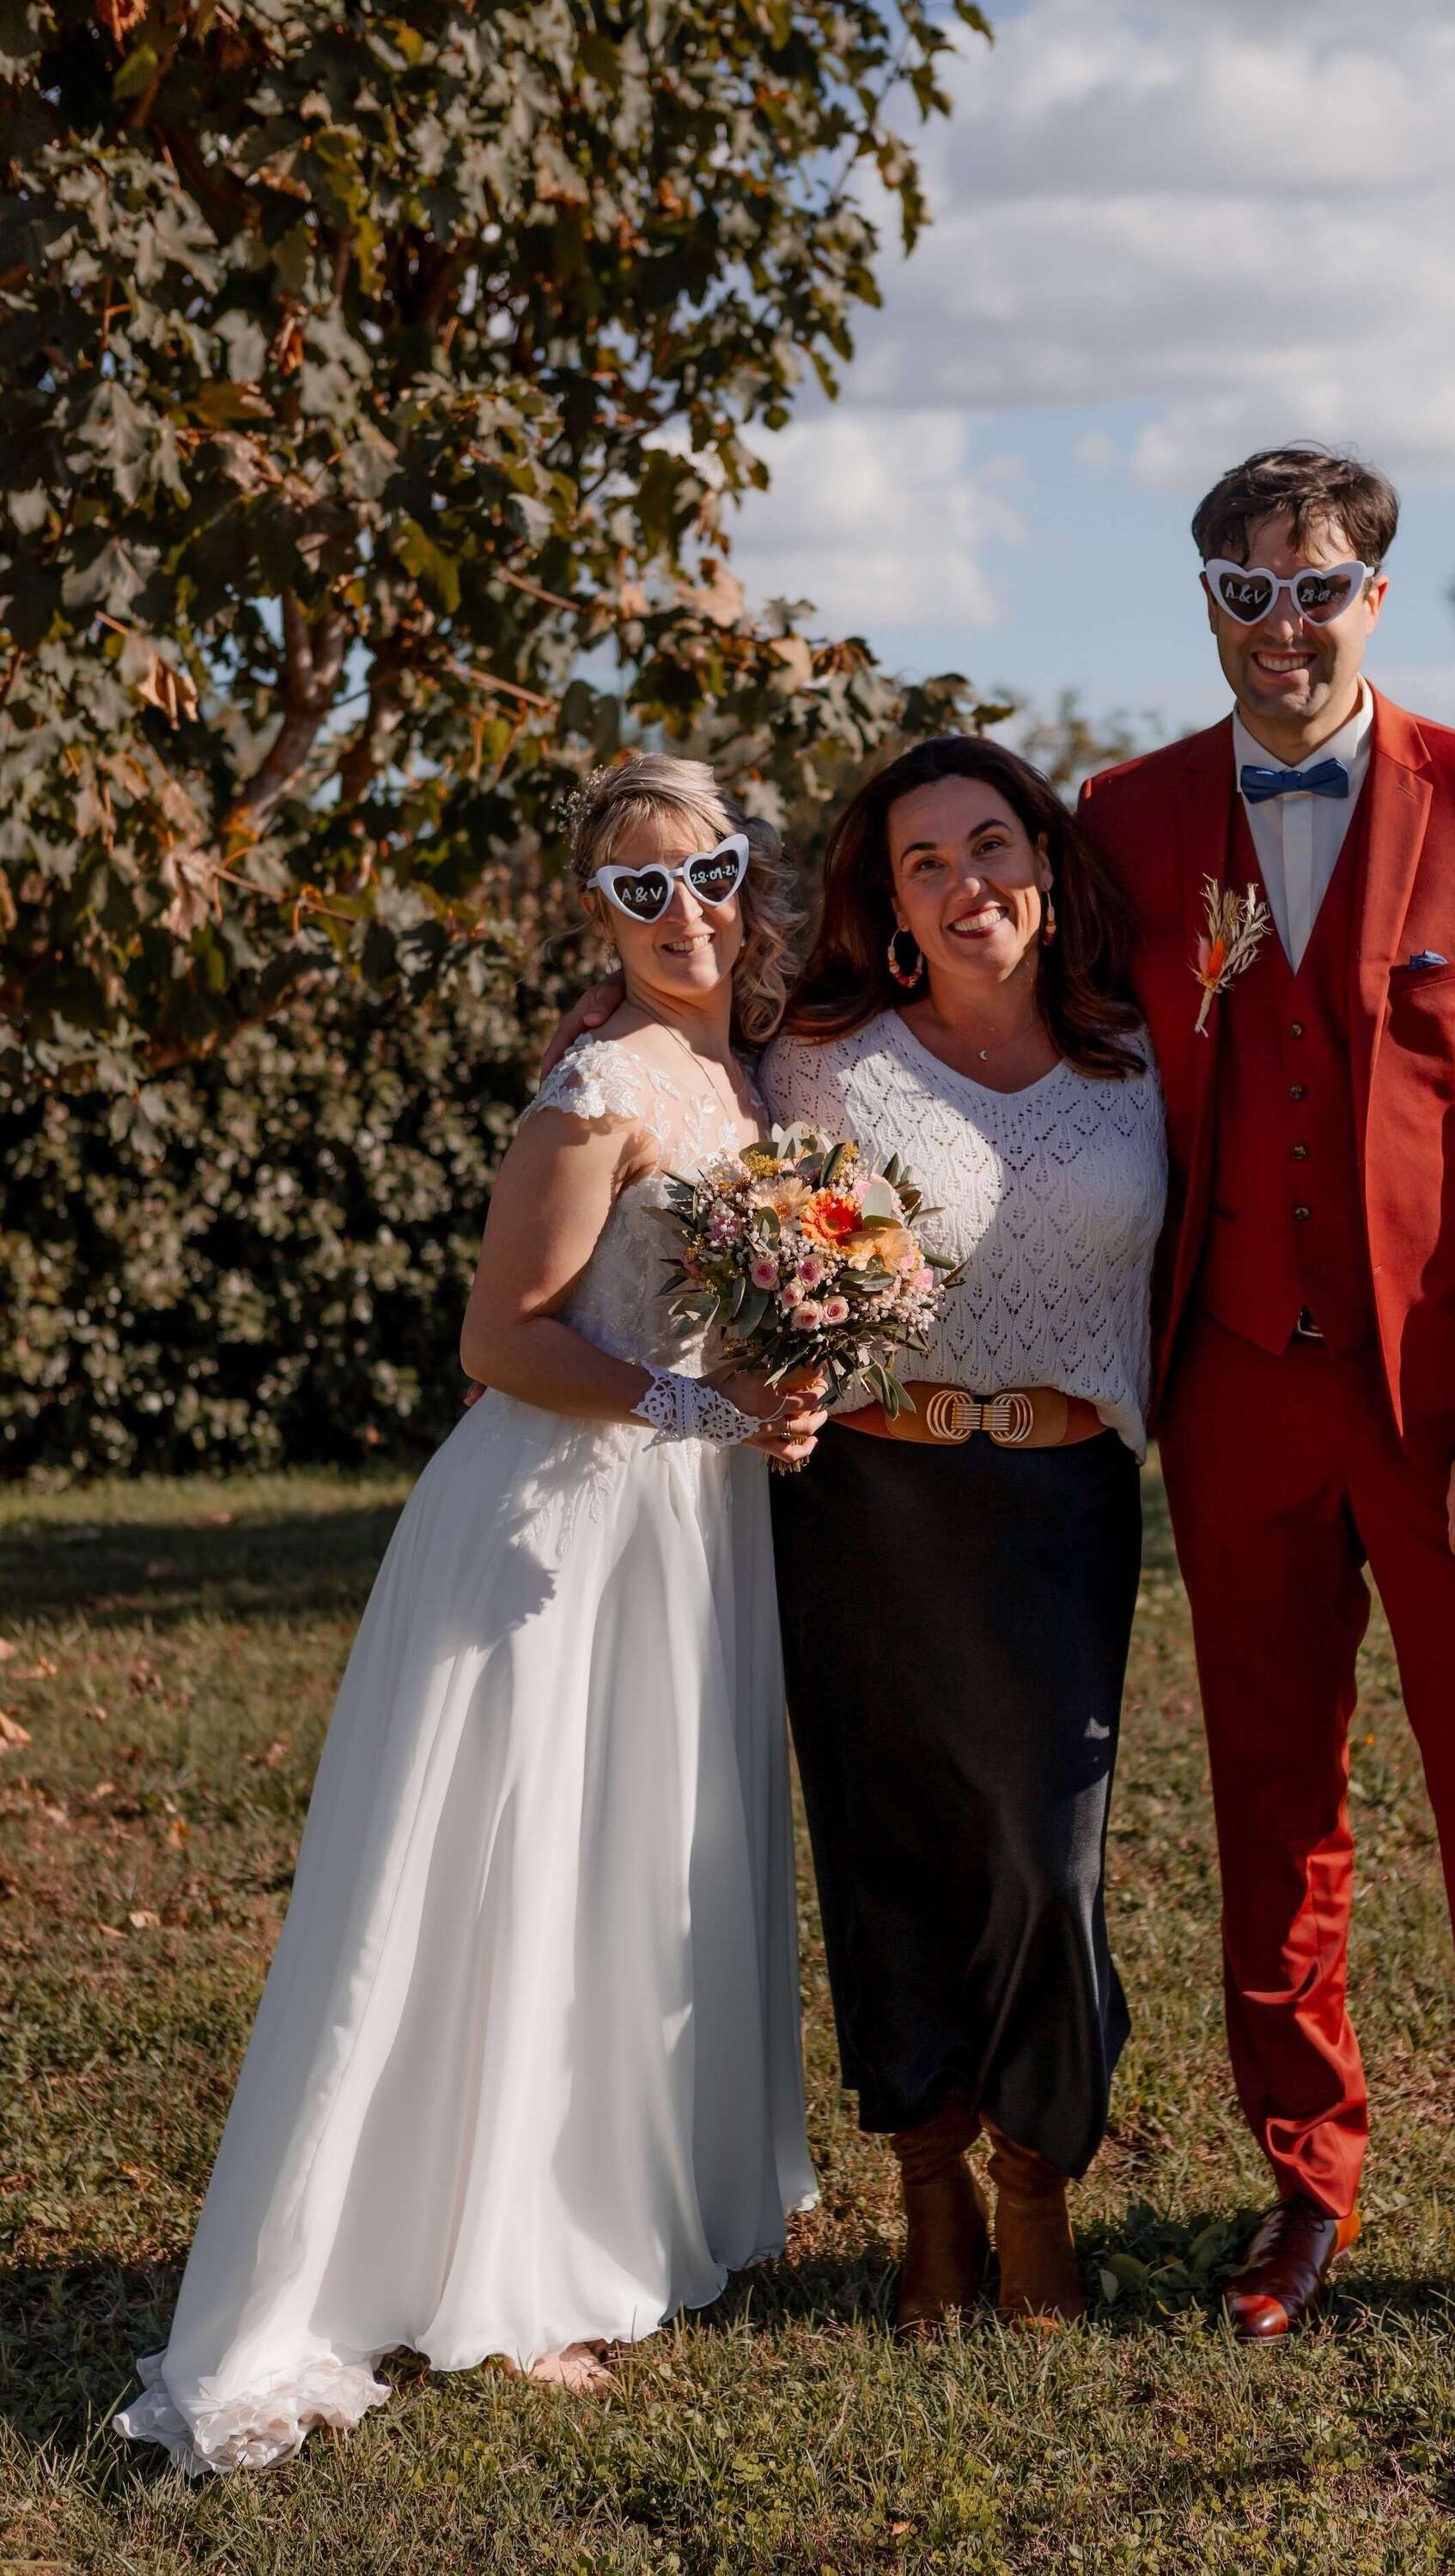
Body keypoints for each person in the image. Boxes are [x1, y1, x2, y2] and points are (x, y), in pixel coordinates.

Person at [116, 755, 825, 2474]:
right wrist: (702, 1409)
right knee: (529, 1877)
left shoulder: (738, 1068)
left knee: (642, 1863)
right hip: (555, 1523)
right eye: (639, 888)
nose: (684, 911)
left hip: (685, 1526)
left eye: (709, 870)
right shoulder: (597, 1083)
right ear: (597, 913)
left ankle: (626, 2207)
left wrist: (782, 1387)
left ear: (748, 875)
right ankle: (506, 2265)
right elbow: (501, 1341)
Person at [1078, 444, 1455, 2402]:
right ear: (1208, 604)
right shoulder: (1126, 820)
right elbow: (1045, 1058)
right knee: (1268, 1807)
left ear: (1374, 598)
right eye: (1247, 591)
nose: (1284, 624)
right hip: (1236, 1394)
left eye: (1316, 587)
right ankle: (1303, 2183)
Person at [546, 738, 1166, 2330]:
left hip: (1064, 1504)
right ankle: (933, 2191)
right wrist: (605, 1014)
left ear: (1045, 862)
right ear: (887, 904)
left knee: (1048, 1857)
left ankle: (1040, 2180)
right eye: (923, 864)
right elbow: (677, 1074)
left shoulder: (1142, 1051)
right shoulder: (820, 1053)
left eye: (991, 844)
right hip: (868, 1502)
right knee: (886, 1847)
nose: (967, 883)